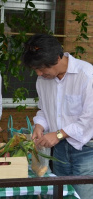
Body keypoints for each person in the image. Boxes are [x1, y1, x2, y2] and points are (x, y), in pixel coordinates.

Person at [23, 33, 93, 199]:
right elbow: (44, 110)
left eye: (42, 68)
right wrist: (39, 125)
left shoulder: (87, 75)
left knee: (82, 196)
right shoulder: (42, 80)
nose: (39, 73)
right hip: (59, 150)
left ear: (57, 58)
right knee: (60, 194)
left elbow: (89, 118)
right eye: (35, 70)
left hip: (86, 151)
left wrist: (59, 134)